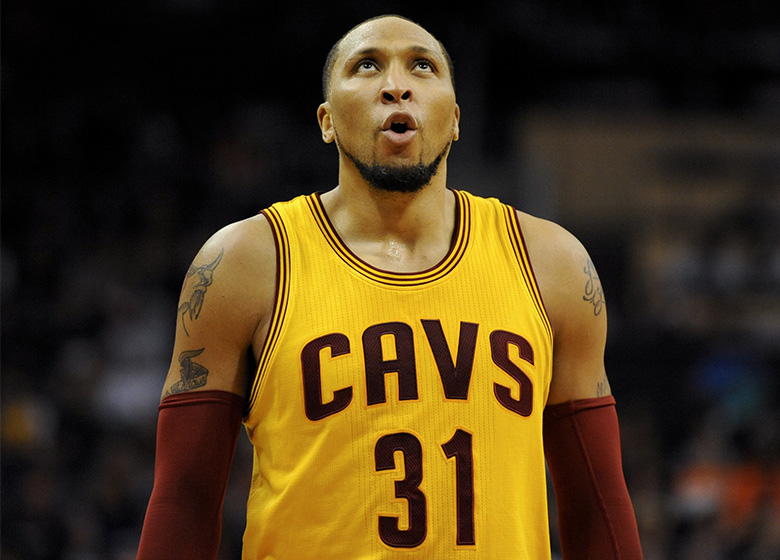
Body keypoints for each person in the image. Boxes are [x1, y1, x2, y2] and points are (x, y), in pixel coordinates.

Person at [136, 14, 643, 560]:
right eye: (367, 66)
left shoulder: (552, 263)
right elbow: (184, 501)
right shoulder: (246, 262)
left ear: (455, 118)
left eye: (422, 66)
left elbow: (597, 504)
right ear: (327, 121)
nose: (396, 85)